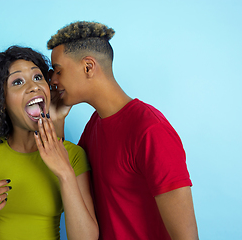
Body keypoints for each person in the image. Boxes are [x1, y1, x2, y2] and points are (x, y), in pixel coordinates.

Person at [47, 21, 199, 240]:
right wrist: (58, 120)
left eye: (58, 71)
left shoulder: (150, 130)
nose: (53, 80)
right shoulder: (94, 125)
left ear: (88, 67)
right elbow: (70, 181)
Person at [0, 46, 98, 240]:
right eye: (18, 81)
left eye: (38, 78)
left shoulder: (72, 155)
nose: (34, 86)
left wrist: (65, 173)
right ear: (2, 100)